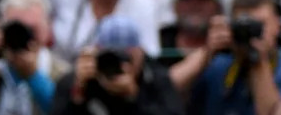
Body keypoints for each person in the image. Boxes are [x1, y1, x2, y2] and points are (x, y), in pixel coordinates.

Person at [182, 0, 281, 115]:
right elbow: (168, 94)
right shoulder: (217, 67)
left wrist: (259, 61)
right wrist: (207, 52)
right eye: (242, 26)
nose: (251, 33)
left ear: (277, 25)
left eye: (259, 25)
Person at [49, 15, 184, 115]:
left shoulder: (156, 80)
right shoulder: (78, 80)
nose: (120, 64)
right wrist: (78, 93)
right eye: (112, 56)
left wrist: (134, 97)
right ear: (97, 51)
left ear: (141, 53)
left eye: (127, 57)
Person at [0, 0, 70, 115]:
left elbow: (62, 110)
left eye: (32, 29)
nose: (25, 37)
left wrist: (34, 76)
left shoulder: (63, 74)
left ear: (47, 28)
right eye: (17, 29)